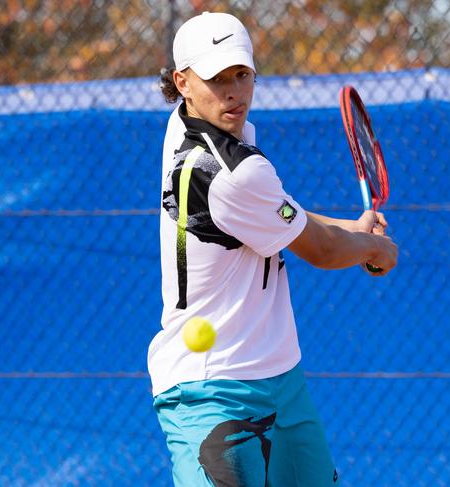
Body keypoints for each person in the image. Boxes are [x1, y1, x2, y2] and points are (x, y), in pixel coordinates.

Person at [149, 11, 398, 487]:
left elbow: (280, 213)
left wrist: (352, 228)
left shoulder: (187, 124)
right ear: (182, 81)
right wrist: (374, 249)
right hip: (214, 390)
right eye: (216, 78)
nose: (233, 92)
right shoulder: (231, 170)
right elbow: (321, 250)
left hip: (281, 377)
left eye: (241, 74)